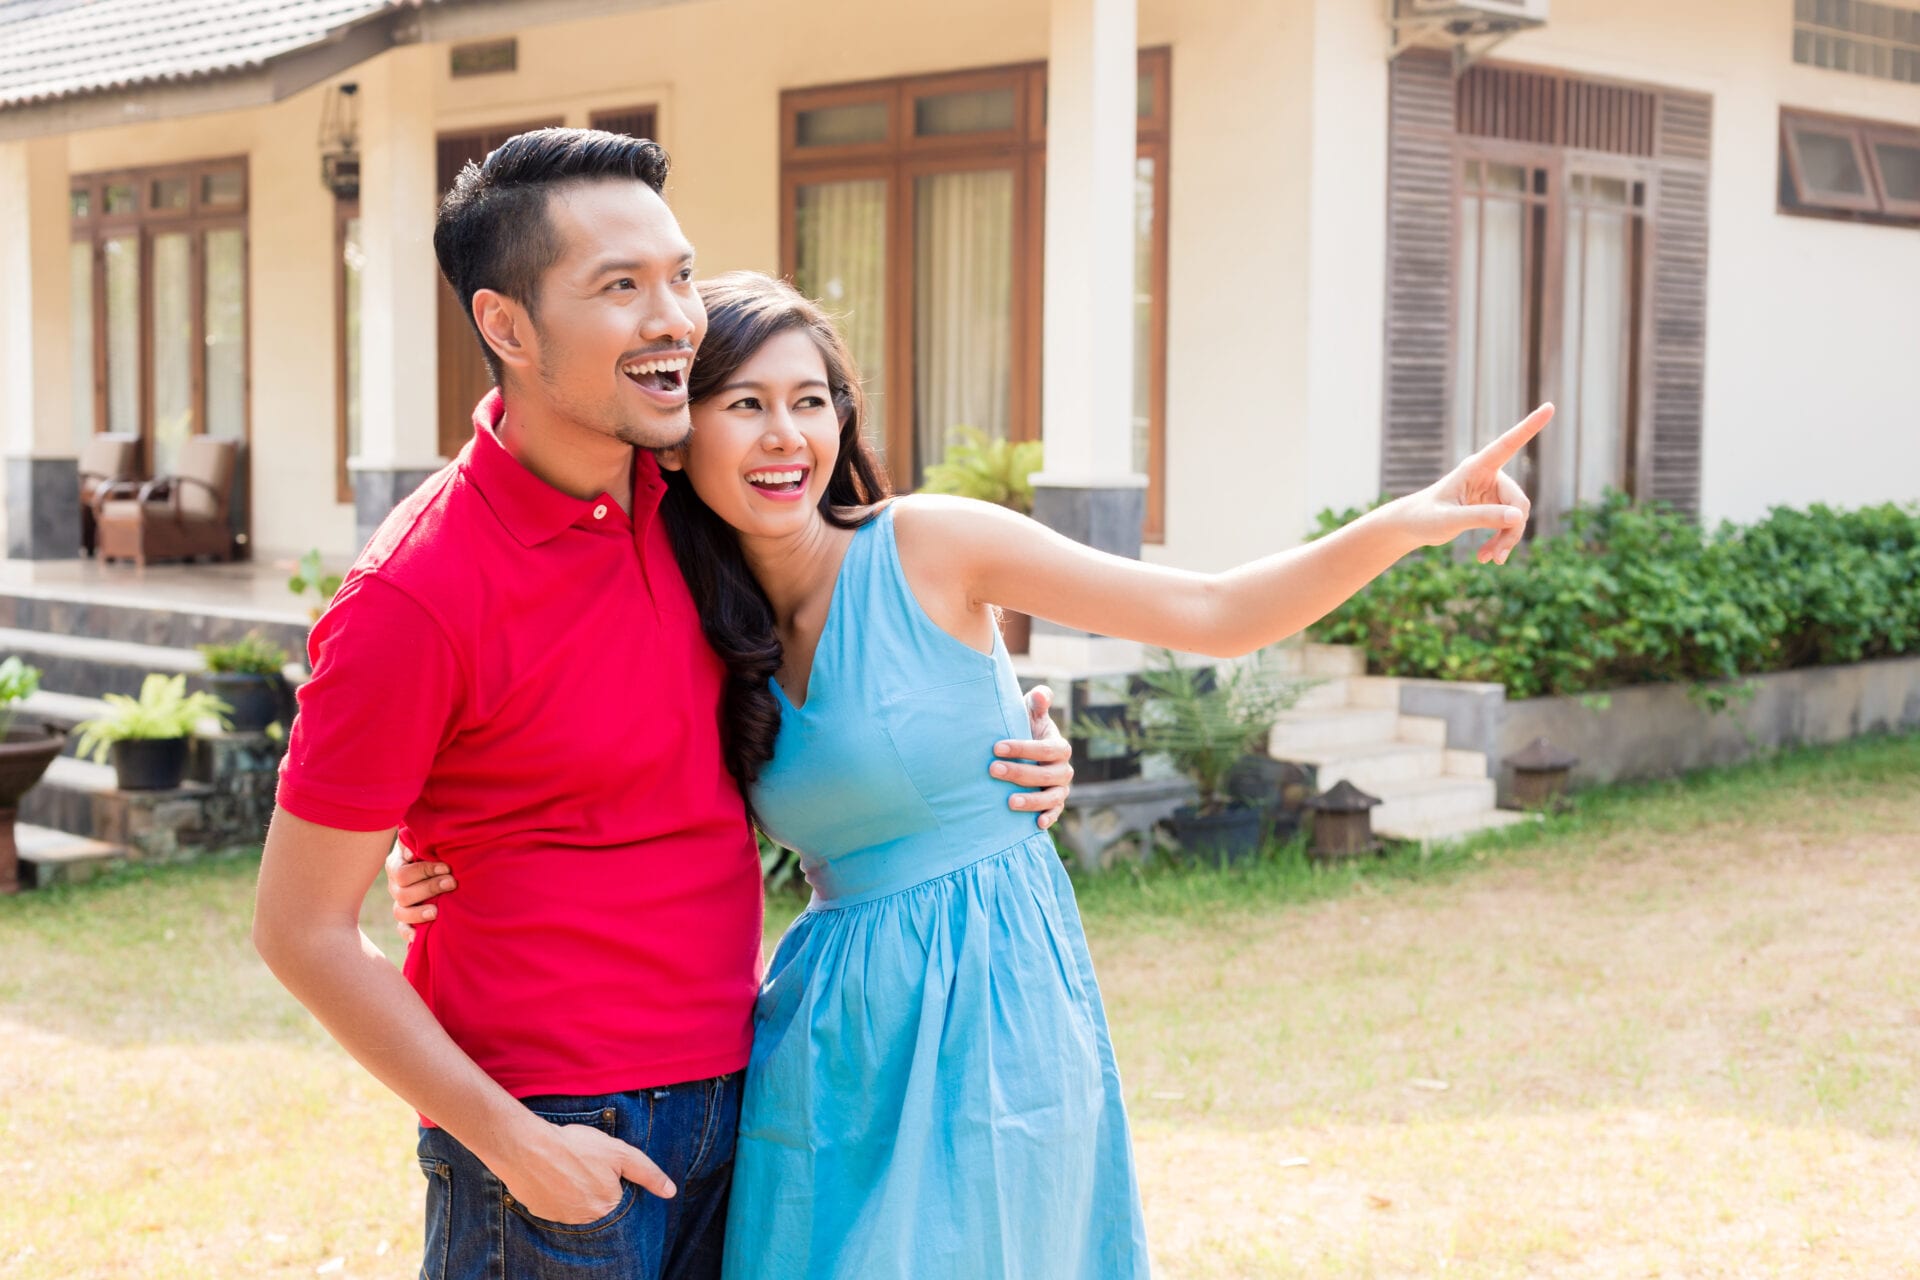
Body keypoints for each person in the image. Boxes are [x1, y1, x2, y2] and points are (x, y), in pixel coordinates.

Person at [391, 265, 1553, 1277]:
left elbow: (1210, 609)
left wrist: (1405, 520)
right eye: (742, 404)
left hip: (990, 996)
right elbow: (575, 758)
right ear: (682, 431)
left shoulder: (931, 545)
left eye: (811, 402)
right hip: (827, 1030)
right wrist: (432, 857)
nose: (784, 435)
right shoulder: (694, 613)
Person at [250, 129, 1075, 1280]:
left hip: (750, 1098)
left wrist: (1003, 751)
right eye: (620, 286)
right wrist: (517, 1145)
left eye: (681, 275)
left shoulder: (691, 506)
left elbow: (852, 672)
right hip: (555, 1137)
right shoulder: (414, 594)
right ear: (508, 326)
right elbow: (298, 928)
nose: (675, 317)